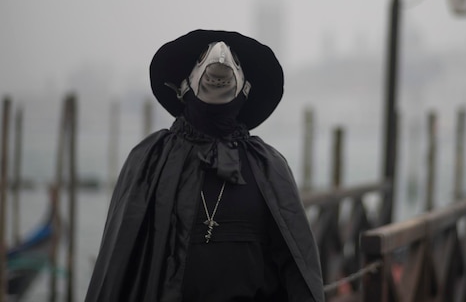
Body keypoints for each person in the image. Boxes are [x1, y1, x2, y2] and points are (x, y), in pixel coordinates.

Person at [86, 30, 324, 301]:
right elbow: (119, 265)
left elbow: (295, 265)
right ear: (183, 85)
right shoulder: (150, 159)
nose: (219, 54)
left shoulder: (269, 166)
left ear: (246, 89)